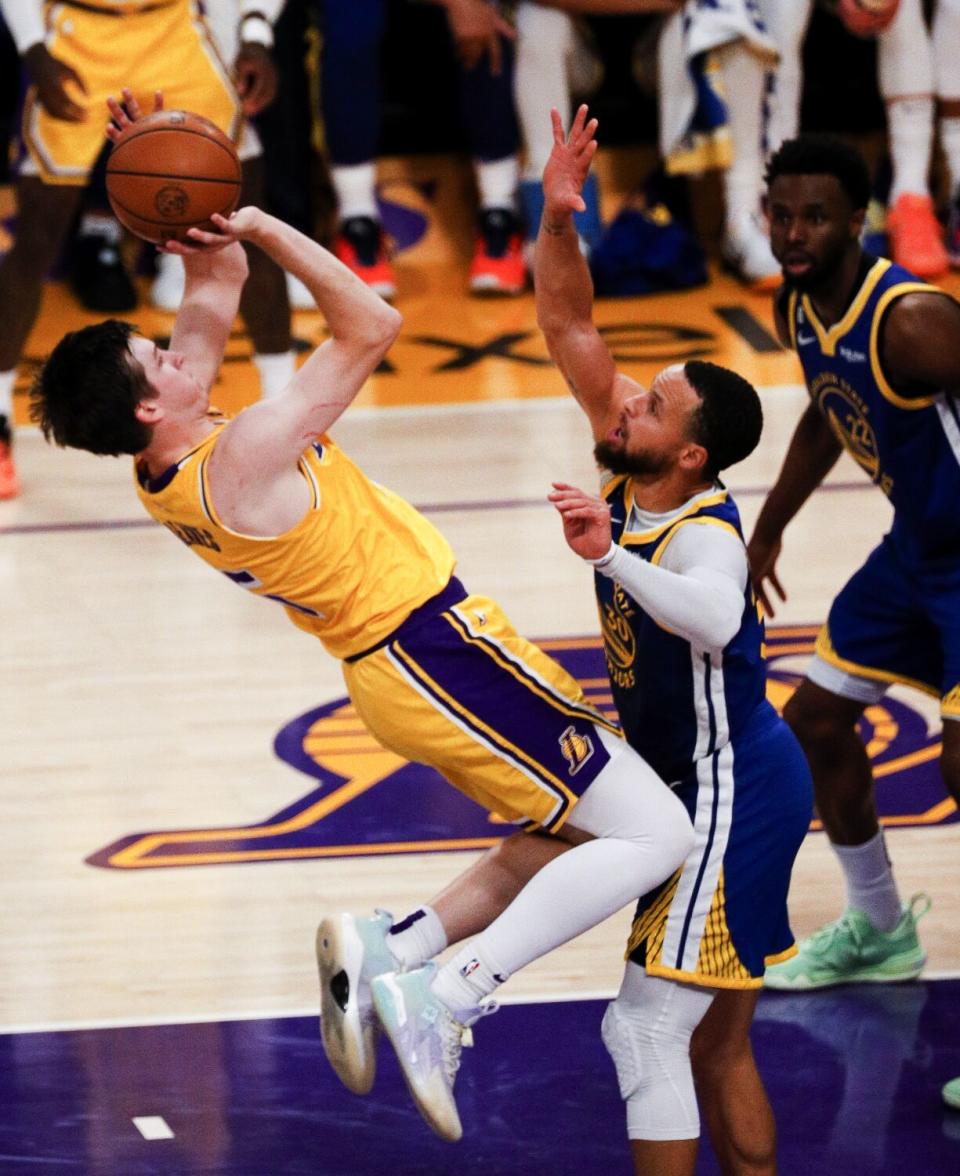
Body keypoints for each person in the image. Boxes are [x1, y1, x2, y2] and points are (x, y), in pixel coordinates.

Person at [31, 96, 695, 1146]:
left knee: (569, 829)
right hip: (430, 653)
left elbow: (214, 283)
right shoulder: (238, 458)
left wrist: (169, 175)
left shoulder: (168, 450)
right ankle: (453, 990)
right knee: (659, 832)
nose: (173, 353)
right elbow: (372, 325)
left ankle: (397, 945)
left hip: (420, 654)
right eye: (155, 362)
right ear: (153, 406)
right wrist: (260, 220)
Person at [533, 103, 812, 1175]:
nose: (627, 401)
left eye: (652, 405)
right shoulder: (633, 464)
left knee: (645, 1028)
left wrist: (608, 556)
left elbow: (721, 618)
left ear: (691, 456)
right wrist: (560, 218)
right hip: (702, 781)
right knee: (716, 1040)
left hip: (731, 790)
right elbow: (570, 329)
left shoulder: (702, 538)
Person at [749, 134, 960, 1105]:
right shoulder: (801, 303)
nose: (795, 234)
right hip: (915, 551)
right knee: (816, 722)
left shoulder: (914, 319)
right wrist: (769, 530)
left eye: (816, 217)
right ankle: (879, 930)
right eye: (781, 214)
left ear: (858, 222)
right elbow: (827, 412)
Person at [0, 0, 295, 500]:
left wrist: (255, 32)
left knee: (246, 223)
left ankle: (290, 418)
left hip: (175, 30)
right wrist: (33, 49)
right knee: (36, 238)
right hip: (76, 35)